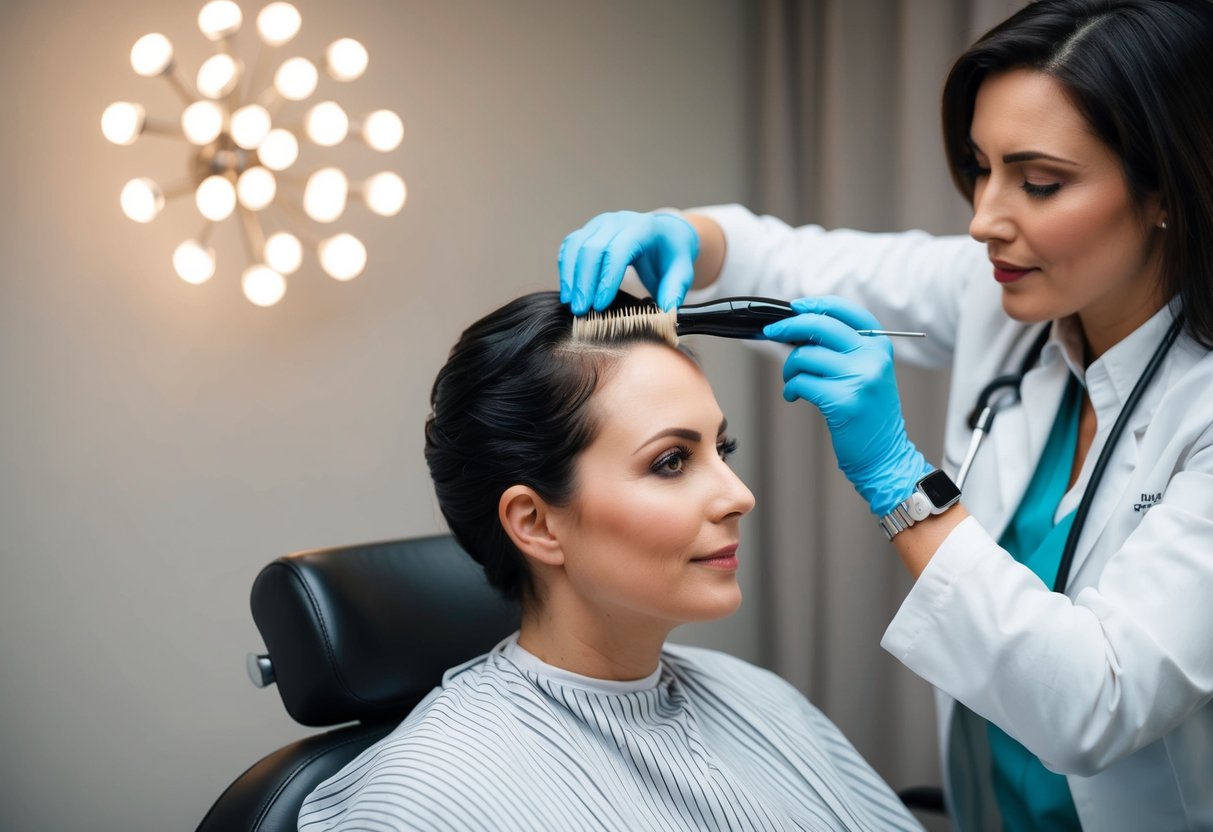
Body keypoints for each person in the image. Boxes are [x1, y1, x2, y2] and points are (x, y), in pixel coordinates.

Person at [557, 1, 1213, 830]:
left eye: (1038, 182)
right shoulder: (1005, 291)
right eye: (979, 167)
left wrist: (899, 482)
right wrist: (683, 233)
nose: (982, 220)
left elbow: (1097, 703)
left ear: (1167, 189)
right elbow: (797, 261)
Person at [297, 290, 922, 831]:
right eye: (671, 461)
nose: (739, 495)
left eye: (721, 449)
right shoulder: (427, 798)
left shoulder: (758, 697)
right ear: (536, 523)